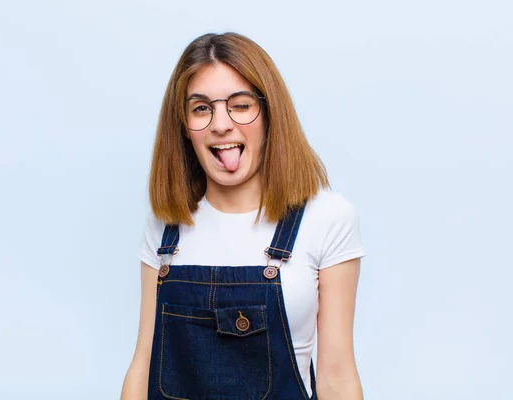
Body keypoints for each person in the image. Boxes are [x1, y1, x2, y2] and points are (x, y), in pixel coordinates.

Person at [121, 32, 366, 400]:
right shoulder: (165, 226)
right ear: (184, 129)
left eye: (240, 105)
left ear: (270, 114)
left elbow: (336, 377)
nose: (221, 124)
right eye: (201, 108)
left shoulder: (327, 217)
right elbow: (143, 365)